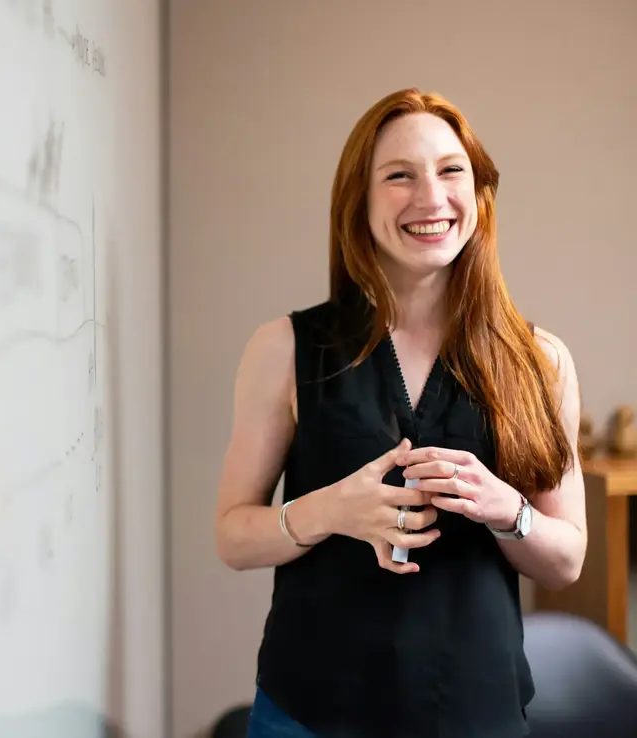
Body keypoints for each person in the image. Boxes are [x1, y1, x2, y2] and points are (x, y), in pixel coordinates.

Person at [215, 88, 586, 738]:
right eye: (399, 176)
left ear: (479, 192)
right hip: (311, 716)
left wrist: (507, 510)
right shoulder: (284, 349)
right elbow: (233, 537)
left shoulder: (542, 360)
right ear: (358, 200)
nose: (431, 197)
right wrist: (330, 510)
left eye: (450, 171)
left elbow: (567, 561)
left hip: (477, 715)